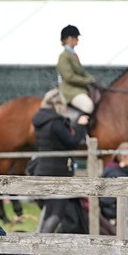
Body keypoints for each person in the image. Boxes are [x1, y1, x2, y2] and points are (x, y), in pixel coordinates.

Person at [32, 88, 89, 234]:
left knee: (49, 211)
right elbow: (72, 142)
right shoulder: (56, 122)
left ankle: (38, 245)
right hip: (57, 172)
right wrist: (80, 125)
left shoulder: (40, 120)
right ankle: (40, 245)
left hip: (41, 170)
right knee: (57, 213)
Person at [56, 24, 95, 121]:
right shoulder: (64, 56)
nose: (78, 40)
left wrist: (92, 79)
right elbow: (69, 77)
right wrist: (87, 81)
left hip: (79, 89)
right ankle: (80, 133)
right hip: (70, 91)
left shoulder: (73, 55)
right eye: (76, 37)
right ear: (69, 38)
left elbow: (81, 72)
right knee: (88, 105)